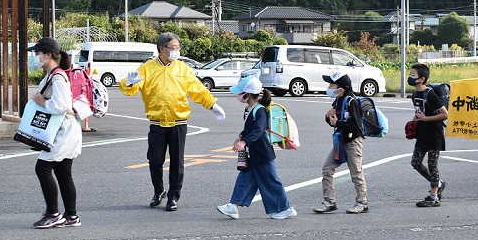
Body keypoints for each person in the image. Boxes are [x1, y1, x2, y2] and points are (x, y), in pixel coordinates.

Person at [120, 32, 225, 211]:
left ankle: (173, 197)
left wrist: (212, 104)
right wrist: (128, 83)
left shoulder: (183, 69)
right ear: (162, 49)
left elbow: (198, 90)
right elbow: (131, 88)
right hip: (157, 122)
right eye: (173, 48)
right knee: (154, 160)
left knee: (177, 161)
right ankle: (158, 191)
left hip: (178, 121)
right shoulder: (147, 68)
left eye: (178, 48)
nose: (177, 51)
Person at [216, 76, 297, 220]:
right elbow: (249, 128)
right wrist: (241, 137)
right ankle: (233, 206)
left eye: (240, 93)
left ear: (247, 94)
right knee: (244, 179)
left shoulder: (259, 110)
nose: (238, 96)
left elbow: (259, 130)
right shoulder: (249, 109)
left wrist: (244, 142)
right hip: (253, 153)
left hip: (262, 153)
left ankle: (286, 208)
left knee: (271, 181)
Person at [27, 37, 83, 228]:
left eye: (37, 53)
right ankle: (71, 216)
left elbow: (62, 105)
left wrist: (43, 102)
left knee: (42, 168)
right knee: (63, 172)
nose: (36, 57)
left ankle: (53, 213)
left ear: (47, 55)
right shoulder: (53, 75)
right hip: (67, 129)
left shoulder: (58, 77)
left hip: (64, 131)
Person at [313, 71, 369, 214]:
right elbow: (333, 122)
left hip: (353, 141)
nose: (329, 87)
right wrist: (328, 117)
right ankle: (329, 202)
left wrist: (338, 122)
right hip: (340, 141)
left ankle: (362, 203)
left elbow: (356, 126)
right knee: (327, 169)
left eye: (332, 85)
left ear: (341, 89)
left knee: (356, 173)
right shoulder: (337, 100)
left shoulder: (352, 102)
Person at [408, 63, 448, 208]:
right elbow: (418, 110)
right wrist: (413, 123)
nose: (410, 77)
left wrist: (426, 119)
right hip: (422, 133)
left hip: (434, 134)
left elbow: (445, 114)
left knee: (432, 165)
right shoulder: (415, 93)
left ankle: (433, 197)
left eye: (413, 75)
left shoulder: (430, 94)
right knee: (415, 162)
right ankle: (438, 184)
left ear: (421, 79)